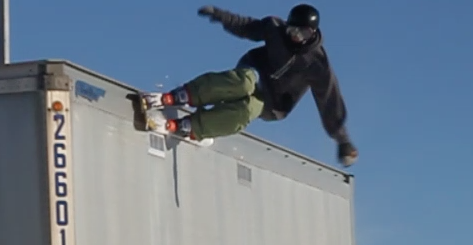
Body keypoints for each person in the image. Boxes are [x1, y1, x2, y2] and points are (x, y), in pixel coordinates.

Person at [141, 4, 358, 167]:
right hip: (254, 70)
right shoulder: (275, 28)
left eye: (302, 34)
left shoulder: (317, 63)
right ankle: (184, 95)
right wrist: (219, 15)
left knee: (247, 111)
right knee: (244, 83)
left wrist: (343, 141)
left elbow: (329, 101)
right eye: (292, 30)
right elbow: (246, 26)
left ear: (312, 34)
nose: (295, 37)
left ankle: (195, 127)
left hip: (274, 102)